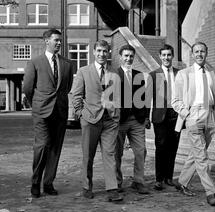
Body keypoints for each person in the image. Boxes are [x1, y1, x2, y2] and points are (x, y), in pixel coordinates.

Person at [23, 28, 73, 198]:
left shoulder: (67, 64)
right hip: (41, 111)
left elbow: (67, 87)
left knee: (55, 149)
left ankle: (48, 183)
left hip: (60, 111)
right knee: (42, 145)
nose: (59, 43)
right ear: (46, 41)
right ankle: (35, 182)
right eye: (56, 40)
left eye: (60, 40)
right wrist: (36, 104)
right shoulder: (35, 62)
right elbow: (28, 88)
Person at [71, 40, 123, 202]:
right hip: (90, 120)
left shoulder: (114, 73)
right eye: (99, 51)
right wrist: (80, 113)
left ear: (108, 53)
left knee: (110, 154)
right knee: (88, 155)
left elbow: (117, 97)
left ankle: (112, 189)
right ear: (93, 52)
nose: (102, 54)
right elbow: (76, 95)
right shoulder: (83, 71)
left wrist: (116, 115)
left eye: (105, 51)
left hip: (110, 121)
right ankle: (87, 186)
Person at [172, 42, 215, 207]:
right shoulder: (183, 74)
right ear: (192, 54)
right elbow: (175, 100)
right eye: (196, 52)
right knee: (202, 158)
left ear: (206, 53)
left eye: (202, 51)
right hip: (193, 116)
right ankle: (211, 192)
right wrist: (187, 115)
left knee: (197, 154)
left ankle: (181, 181)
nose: (199, 54)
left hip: (210, 117)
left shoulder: (212, 74)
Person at [115, 44, 150, 194]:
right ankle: (116, 182)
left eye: (131, 56)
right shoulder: (113, 74)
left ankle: (138, 181)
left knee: (141, 151)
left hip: (137, 120)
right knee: (116, 152)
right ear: (120, 57)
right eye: (126, 56)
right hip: (119, 121)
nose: (128, 59)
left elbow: (145, 98)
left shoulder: (139, 75)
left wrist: (146, 116)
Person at [149, 44, 180, 190]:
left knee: (173, 146)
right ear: (160, 57)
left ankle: (169, 177)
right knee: (161, 146)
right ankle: (159, 179)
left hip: (176, 114)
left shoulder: (180, 74)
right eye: (164, 55)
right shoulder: (153, 74)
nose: (166, 57)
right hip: (160, 115)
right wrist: (146, 118)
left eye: (169, 55)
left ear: (172, 56)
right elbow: (147, 98)